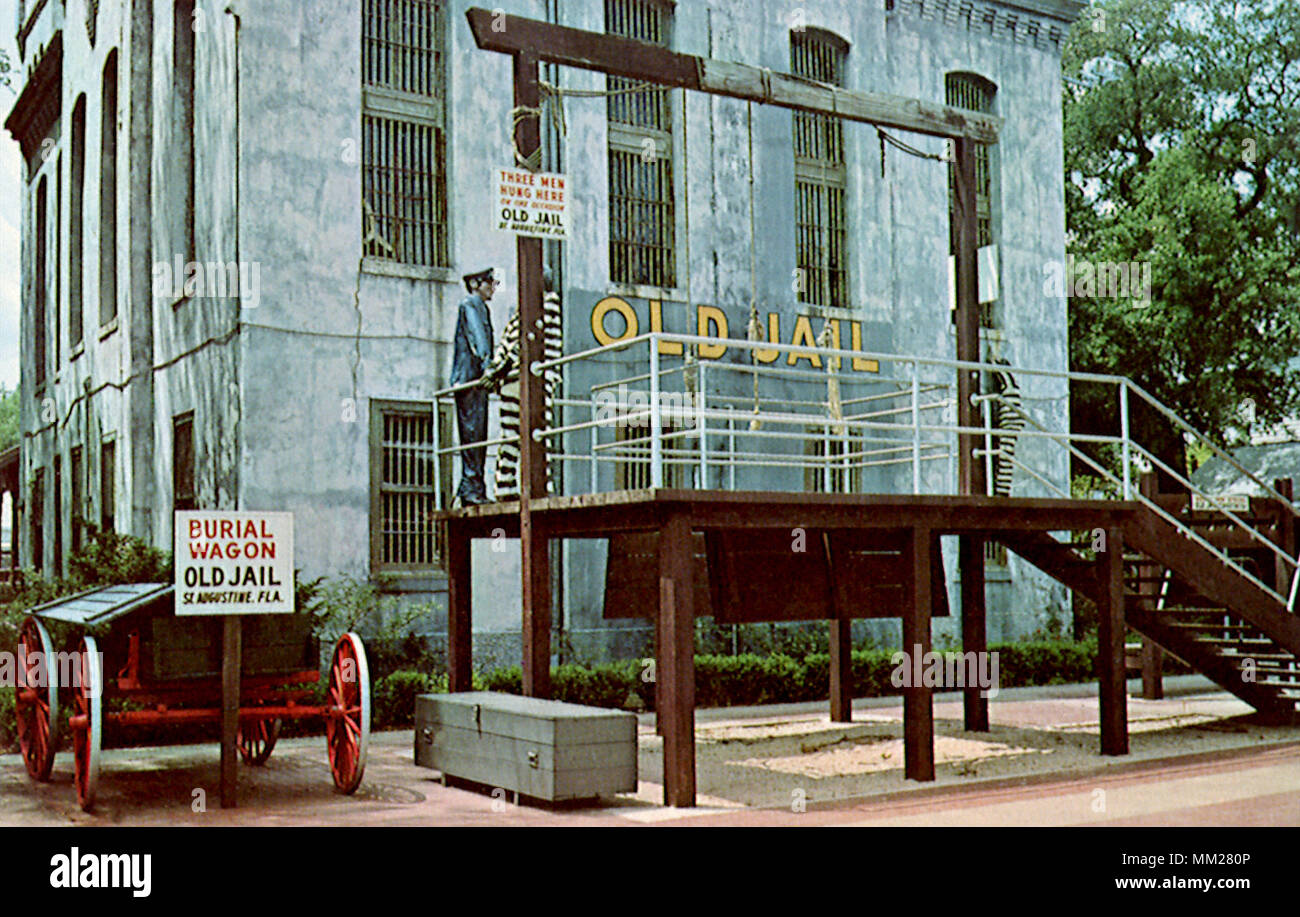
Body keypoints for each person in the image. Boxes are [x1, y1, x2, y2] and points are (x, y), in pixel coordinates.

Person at [481, 267, 564, 499]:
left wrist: (498, 369)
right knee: (526, 431)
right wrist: (498, 368)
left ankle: (512, 485)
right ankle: (510, 486)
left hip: (530, 377)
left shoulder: (544, 305)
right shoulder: (526, 311)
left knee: (527, 431)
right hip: (518, 377)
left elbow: (523, 342)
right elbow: (512, 344)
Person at [449, 268, 498, 506]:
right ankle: (471, 488)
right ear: (477, 283)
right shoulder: (471, 305)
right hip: (470, 379)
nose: (493, 288)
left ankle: (472, 487)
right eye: (490, 283)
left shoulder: (479, 306)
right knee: (473, 433)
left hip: (474, 380)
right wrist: (489, 367)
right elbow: (478, 338)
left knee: (476, 433)